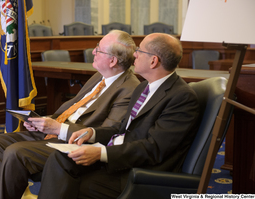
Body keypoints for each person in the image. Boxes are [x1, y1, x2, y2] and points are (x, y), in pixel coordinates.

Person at [37, 33, 201, 199]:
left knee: (72, 183)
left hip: (138, 172)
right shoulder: (143, 87)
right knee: (59, 158)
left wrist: (101, 153)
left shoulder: (181, 97)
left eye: (139, 51)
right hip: (118, 156)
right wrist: (92, 133)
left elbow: (153, 148)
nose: (134, 54)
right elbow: (122, 128)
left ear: (153, 61)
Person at [0, 30, 141, 199]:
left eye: (99, 49)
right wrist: (44, 121)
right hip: (55, 133)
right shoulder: (99, 76)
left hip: (75, 143)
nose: (94, 51)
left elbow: (108, 132)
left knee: (15, 152)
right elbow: (73, 108)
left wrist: (59, 128)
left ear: (112, 61)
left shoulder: (129, 88)